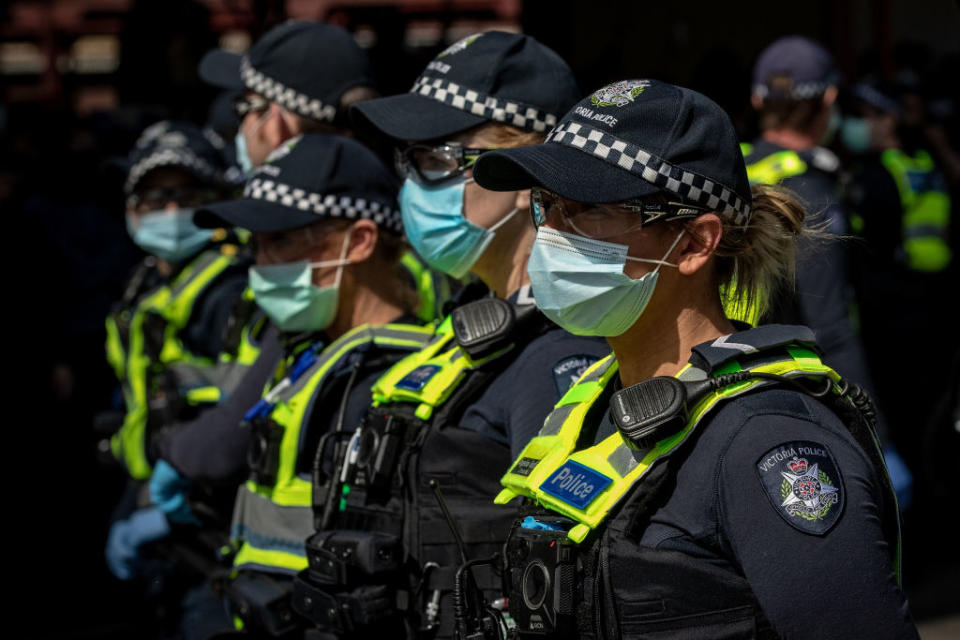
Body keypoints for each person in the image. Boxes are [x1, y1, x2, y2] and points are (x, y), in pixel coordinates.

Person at [472, 79, 918, 638]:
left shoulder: (765, 442)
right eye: (547, 206)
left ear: (693, 244)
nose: (550, 235)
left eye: (586, 209)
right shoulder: (589, 401)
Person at [290, 32, 611, 639]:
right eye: (407, 160)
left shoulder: (563, 351)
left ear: (525, 176)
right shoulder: (473, 320)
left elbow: (561, 588)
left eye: (437, 162)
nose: (412, 187)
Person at [184, 133, 436, 637]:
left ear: (360, 241)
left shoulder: (391, 377)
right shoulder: (311, 349)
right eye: (256, 244)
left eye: (280, 240)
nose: (260, 265)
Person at [743, 36, 912, 507]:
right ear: (830, 100)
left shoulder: (732, 170)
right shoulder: (809, 190)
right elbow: (831, 326)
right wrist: (880, 440)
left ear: (758, 100)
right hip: (799, 392)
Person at [844, 78, 954, 486]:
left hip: (894, 316)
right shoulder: (925, 165)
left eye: (865, 117)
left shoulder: (879, 175)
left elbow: (869, 249)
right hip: (934, 303)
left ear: (887, 120)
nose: (856, 126)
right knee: (930, 416)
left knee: (901, 415)